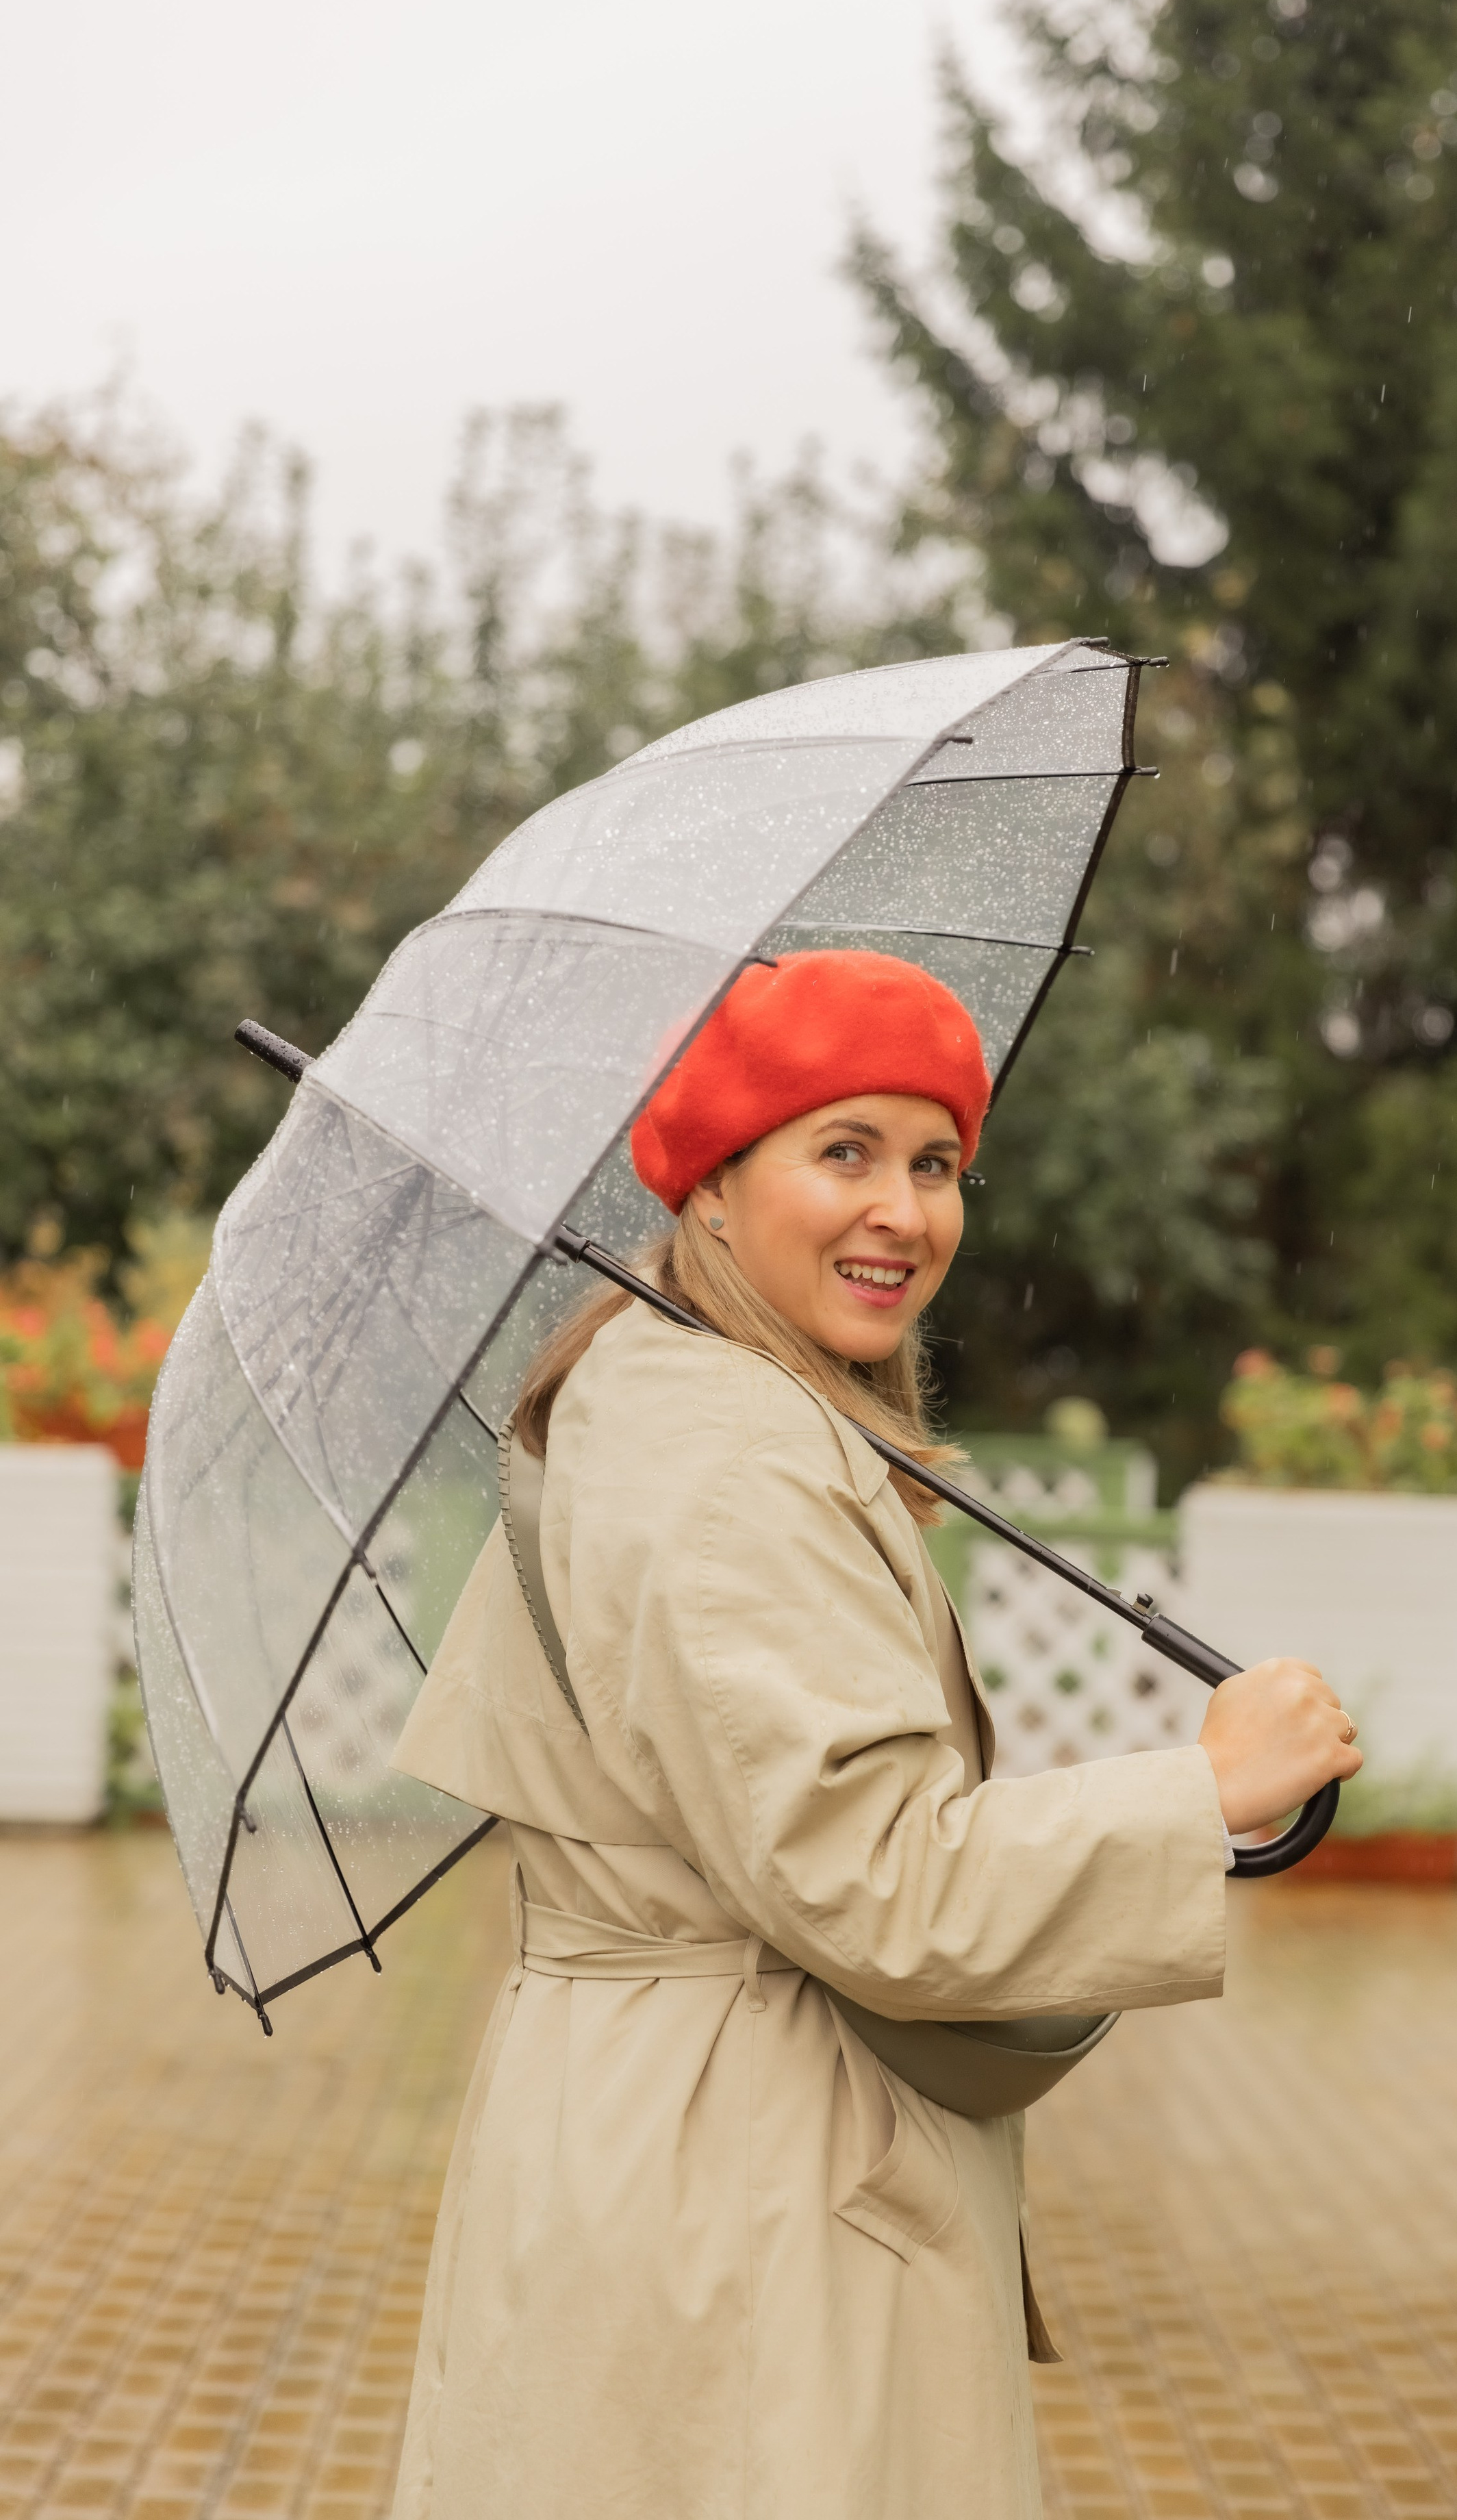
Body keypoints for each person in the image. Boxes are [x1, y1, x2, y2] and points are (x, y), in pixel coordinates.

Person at [388, 948, 1360, 2520]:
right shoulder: (728, 1464)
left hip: (666, 2125)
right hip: (745, 2171)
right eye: (842, 1151)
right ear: (712, 1184)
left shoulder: (667, 1394)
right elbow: (881, 1883)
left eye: (933, 1162)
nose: (903, 1211)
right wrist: (1203, 1790)